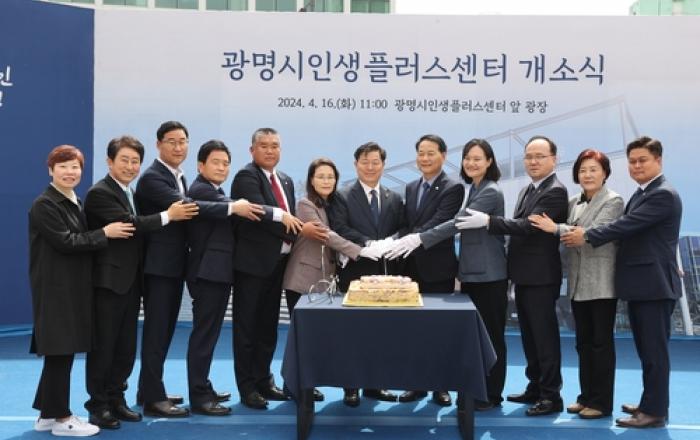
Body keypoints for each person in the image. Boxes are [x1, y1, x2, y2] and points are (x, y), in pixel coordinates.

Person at [561, 137, 682, 428]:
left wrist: (587, 235)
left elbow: (626, 226)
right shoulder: (643, 193)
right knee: (647, 351)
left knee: (654, 353)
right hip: (642, 284)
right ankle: (650, 402)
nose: (636, 166)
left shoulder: (662, 194)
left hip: (654, 285)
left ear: (658, 161)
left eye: (643, 160)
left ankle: (654, 412)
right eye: (632, 161)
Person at [83, 136, 198, 429]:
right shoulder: (100, 193)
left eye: (135, 161)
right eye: (124, 160)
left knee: (125, 348)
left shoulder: (130, 192)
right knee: (105, 347)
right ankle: (98, 405)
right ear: (109, 161)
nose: (130, 166)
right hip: (109, 282)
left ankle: (116, 399)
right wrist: (169, 215)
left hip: (132, 281)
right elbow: (131, 225)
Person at [391, 138, 508, 411]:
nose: (471, 163)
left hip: (489, 274)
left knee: (491, 336)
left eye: (477, 159)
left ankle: (491, 394)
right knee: (476, 337)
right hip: (471, 273)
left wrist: (418, 239)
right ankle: (479, 391)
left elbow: (456, 222)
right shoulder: (475, 188)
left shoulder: (489, 191)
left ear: (489, 161)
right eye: (467, 158)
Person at [455, 135, 568, 416]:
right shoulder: (529, 189)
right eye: (529, 156)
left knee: (544, 338)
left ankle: (551, 395)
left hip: (541, 276)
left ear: (554, 159)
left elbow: (529, 226)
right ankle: (535, 387)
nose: (533, 161)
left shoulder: (555, 191)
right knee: (530, 336)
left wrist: (490, 221)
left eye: (540, 156)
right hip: (523, 275)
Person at [135, 121, 239, 417]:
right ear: (158, 144)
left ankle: (148, 389)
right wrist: (234, 207)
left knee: (164, 331)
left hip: (174, 265)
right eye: (172, 141)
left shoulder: (176, 176)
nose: (178, 147)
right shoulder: (153, 178)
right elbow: (190, 206)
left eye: (183, 141)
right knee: (157, 333)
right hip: (159, 267)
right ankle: (153, 398)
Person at [30, 145, 134, 436]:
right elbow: (66, 241)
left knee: (61, 353)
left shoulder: (73, 201)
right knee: (59, 352)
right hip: (56, 290)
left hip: (72, 288)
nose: (69, 172)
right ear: (50, 170)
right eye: (63, 166)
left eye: (75, 167)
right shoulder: (45, 204)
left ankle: (47, 414)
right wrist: (104, 233)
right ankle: (62, 419)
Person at [185, 140, 278, 416]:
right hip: (208, 274)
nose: (222, 167)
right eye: (215, 162)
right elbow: (236, 207)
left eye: (226, 163)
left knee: (209, 335)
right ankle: (199, 397)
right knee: (204, 336)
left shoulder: (216, 191)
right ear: (200, 165)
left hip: (218, 274)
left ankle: (204, 387)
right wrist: (279, 215)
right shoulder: (201, 189)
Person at [529, 149, 623, 419]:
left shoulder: (613, 201)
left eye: (594, 169)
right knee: (583, 344)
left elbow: (594, 233)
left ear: (605, 173)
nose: (588, 175)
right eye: (583, 170)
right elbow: (575, 235)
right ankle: (585, 397)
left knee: (601, 344)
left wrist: (556, 229)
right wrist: (569, 233)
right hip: (578, 283)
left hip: (602, 283)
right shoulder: (574, 202)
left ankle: (601, 403)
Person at [282, 158, 384, 402]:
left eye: (331, 177)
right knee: (302, 337)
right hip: (303, 279)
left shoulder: (332, 205)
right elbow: (325, 235)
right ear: (311, 180)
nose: (326, 181)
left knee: (317, 337)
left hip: (324, 281)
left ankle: (303, 384)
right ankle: (294, 386)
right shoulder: (306, 204)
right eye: (320, 176)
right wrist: (359, 251)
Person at [386, 134, 464, 407]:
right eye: (421, 153)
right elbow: (407, 223)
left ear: (443, 155)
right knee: (413, 330)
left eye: (431, 153)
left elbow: (440, 221)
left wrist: (410, 238)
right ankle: (416, 384)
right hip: (410, 269)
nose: (425, 158)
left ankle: (440, 386)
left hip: (437, 269)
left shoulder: (453, 187)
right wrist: (393, 240)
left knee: (438, 329)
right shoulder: (410, 187)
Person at [230, 128, 304, 410]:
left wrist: (294, 227)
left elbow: (290, 217)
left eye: (275, 146)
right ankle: (247, 387)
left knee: (268, 327)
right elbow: (260, 212)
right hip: (252, 266)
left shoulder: (285, 180)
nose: (270, 150)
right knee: (247, 328)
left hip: (278, 264)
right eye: (264, 145)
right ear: (252, 150)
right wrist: (295, 226)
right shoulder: (246, 176)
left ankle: (263, 380)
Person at [327, 141, 404, 407]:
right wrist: (368, 243)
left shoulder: (394, 197)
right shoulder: (342, 195)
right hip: (355, 274)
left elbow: (404, 228)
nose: (370, 167)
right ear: (355, 164)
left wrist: (390, 241)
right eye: (365, 162)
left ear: (383, 165)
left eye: (375, 162)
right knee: (353, 332)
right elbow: (338, 227)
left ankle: (375, 384)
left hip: (386, 276)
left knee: (381, 333)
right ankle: (351, 387)